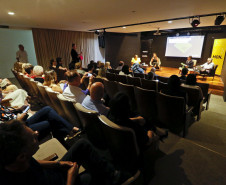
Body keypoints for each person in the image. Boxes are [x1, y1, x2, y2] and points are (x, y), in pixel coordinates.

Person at [0, 120, 128, 185]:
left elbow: (34, 162)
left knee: (82, 144)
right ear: (22, 156)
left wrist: (58, 164)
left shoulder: (15, 160)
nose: (37, 133)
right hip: (65, 181)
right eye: (33, 137)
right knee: (90, 177)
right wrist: (71, 177)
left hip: (53, 173)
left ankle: (112, 175)